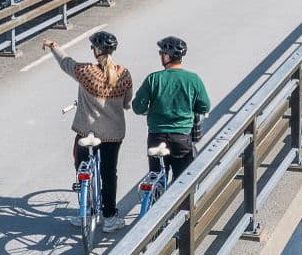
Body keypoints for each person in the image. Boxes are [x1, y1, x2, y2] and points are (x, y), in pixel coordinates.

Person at [44, 31, 131, 221]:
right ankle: (109, 217)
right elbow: (127, 104)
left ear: (97, 51)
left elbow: (65, 62)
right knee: (109, 173)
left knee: (82, 164)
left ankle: (86, 206)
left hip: (87, 132)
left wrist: (53, 46)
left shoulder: (86, 72)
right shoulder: (123, 74)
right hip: (113, 134)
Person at [131, 36, 210, 182]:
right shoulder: (193, 79)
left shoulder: (153, 79)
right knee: (182, 183)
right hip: (181, 137)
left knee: (156, 178)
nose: (161, 56)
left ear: (167, 56)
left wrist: (147, 110)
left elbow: (137, 107)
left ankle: (154, 200)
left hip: (156, 136)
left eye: (161, 53)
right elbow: (205, 106)